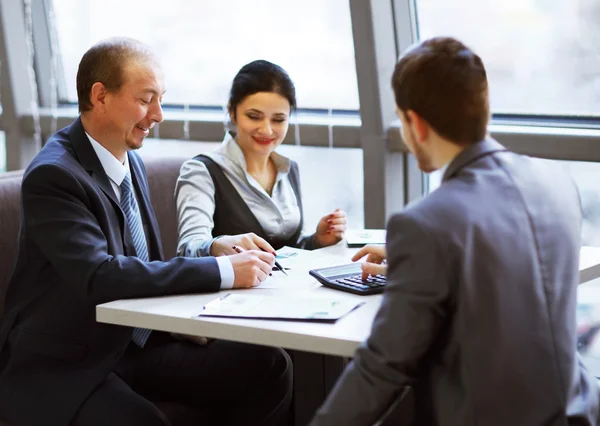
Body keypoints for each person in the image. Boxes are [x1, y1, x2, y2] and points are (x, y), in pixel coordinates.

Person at [0, 37, 292, 426]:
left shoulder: (127, 158)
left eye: (160, 99)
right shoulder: (54, 176)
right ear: (100, 96)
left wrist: (214, 250)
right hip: (70, 360)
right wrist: (225, 273)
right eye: (146, 99)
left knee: (270, 365)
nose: (158, 114)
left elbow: (142, 264)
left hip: (134, 343)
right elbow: (101, 275)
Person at [311, 37, 600, 426]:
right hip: (575, 411)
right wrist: (414, 263)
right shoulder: (556, 182)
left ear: (415, 123)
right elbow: (509, 278)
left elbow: (382, 368)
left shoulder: (426, 223)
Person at [175, 60, 346, 259]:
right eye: (254, 116)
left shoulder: (289, 169)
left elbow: (288, 251)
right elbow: (189, 248)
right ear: (232, 112)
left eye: (278, 119)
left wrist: (317, 240)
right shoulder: (201, 171)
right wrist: (219, 246)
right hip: (233, 288)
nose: (266, 129)